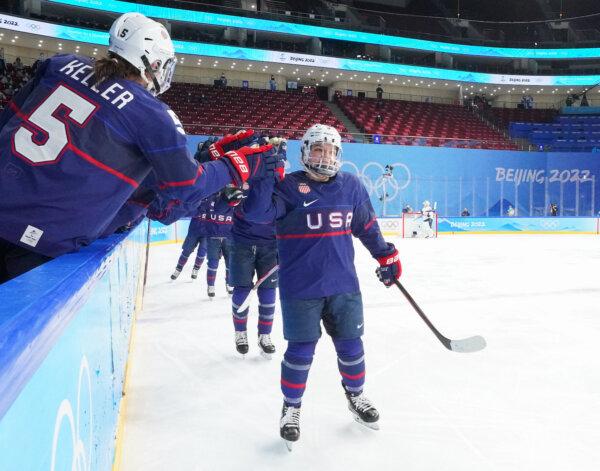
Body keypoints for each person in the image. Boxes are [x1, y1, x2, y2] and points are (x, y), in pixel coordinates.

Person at [0, 12, 279, 283]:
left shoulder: (60, 65)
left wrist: (205, 159)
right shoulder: (153, 114)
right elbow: (184, 188)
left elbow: (6, 123)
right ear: (153, 64)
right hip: (38, 246)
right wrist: (236, 165)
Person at [243, 124, 401, 449]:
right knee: (300, 352)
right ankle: (291, 408)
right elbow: (257, 214)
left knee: (351, 347)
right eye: (318, 149)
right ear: (305, 152)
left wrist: (386, 257)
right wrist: (261, 180)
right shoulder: (287, 187)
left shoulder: (351, 187)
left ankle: (356, 397)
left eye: (331, 150)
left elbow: (367, 227)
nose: (325, 155)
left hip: (344, 285)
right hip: (300, 289)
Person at [228, 137, 283, 358]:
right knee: (242, 289)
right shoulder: (240, 176)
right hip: (242, 241)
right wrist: (229, 197)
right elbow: (228, 201)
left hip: (270, 244)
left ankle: (265, 335)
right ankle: (240, 332)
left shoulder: (278, 178)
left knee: (268, 292)